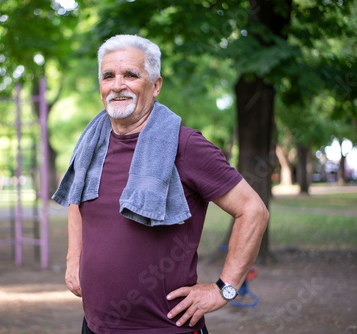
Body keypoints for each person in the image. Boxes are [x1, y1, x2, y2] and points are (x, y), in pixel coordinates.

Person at [52, 34, 269, 334]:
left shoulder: (186, 145)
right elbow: (79, 201)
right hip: (95, 327)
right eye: (108, 76)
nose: (117, 85)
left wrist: (224, 289)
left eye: (131, 74)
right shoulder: (91, 144)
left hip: (167, 328)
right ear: (100, 88)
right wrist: (72, 258)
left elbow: (253, 210)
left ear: (155, 85)